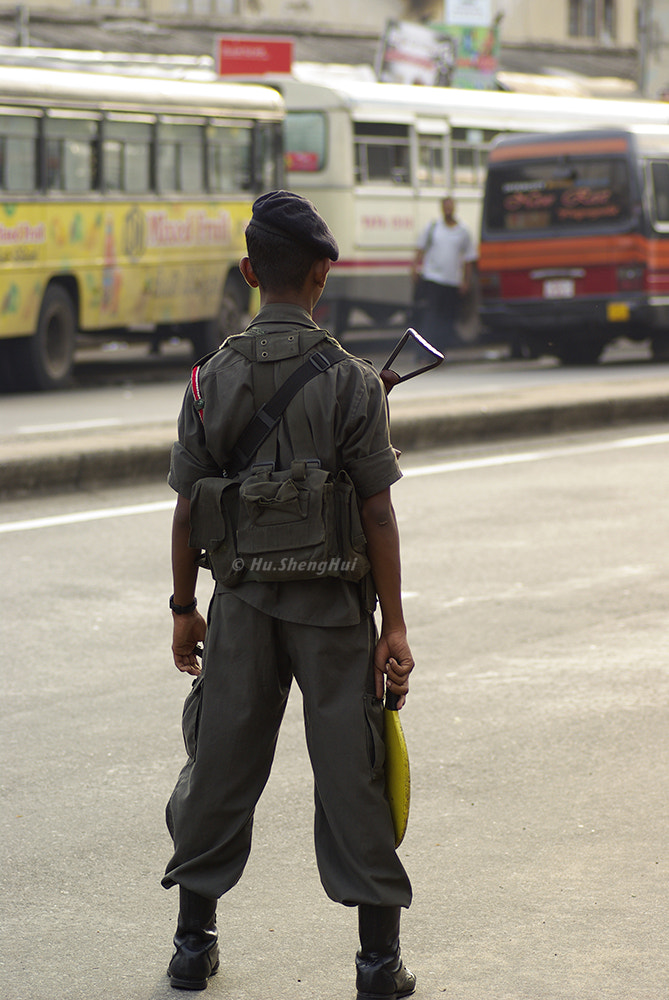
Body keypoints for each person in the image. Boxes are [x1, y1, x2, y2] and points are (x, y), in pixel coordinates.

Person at [163, 189, 416, 998]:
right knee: (353, 771)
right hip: (336, 612)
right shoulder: (351, 383)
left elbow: (185, 507)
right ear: (322, 275)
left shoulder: (208, 380)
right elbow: (375, 509)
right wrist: (394, 628)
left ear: (248, 272)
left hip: (238, 607)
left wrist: (182, 608)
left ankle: (192, 948)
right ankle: (377, 964)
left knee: (220, 766)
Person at [413, 194, 477, 353]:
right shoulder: (433, 227)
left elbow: (469, 259)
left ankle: (440, 351)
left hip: (452, 281)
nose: (448, 210)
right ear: (442, 209)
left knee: (447, 319)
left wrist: (465, 281)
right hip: (433, 279)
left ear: (454, 208)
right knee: (431, 317)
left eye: (450, 206)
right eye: (445, 207)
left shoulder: (463, 231)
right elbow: (420, 249)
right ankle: (424, 352)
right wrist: (415, 268)